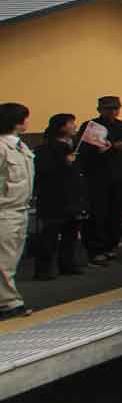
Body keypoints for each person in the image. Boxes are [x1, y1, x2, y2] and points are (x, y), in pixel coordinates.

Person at [29, 115, 87, 279]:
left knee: (71, 232)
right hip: (54, 196)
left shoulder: (74, 146)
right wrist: (65, 163)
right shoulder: (46, 149)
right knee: (50, 234)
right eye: (71, 124)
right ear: (62, 128)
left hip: (73, 196)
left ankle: (67, 263)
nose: (74, 126)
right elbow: (44, 171)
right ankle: (43, 269)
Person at [78, 95, 122, 264]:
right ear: (100, 110)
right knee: (97, 213)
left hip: (120, 175)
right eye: (109, 109)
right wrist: (105, 149)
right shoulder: (91, 126)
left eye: (116, 108)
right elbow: (83, 151)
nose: (113, 112)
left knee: (116, 213)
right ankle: (95, 249)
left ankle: (111, 247)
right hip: (97, 176)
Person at [0, 102, 33, 320]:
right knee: (4, 260)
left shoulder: (20, 147)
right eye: (25, 117)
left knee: (11, 258)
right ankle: (9, 304)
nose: (28, 121)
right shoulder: (2, 148)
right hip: (5, 211)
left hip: (20, 209)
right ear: (17, 121)